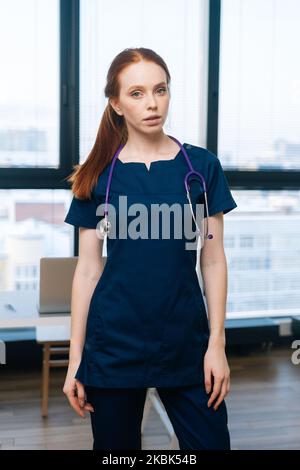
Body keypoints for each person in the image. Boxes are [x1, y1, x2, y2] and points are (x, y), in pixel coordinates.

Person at [62, 47, 237, 450]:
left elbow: (212, 259)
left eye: (160, 90)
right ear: (116, 103)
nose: (152, 103)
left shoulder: (201, 168)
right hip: (114, 344)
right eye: (137, 93)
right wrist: (76, 361)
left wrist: (217, 344)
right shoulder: (97, 177)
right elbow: (88, 271)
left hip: (186, 342)